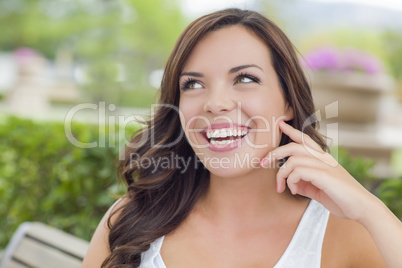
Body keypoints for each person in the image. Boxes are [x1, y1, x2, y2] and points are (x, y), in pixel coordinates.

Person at [82, 8, 402, 268]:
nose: (215, 103)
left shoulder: (342, 230)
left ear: (288, 101)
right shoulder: (134, 217)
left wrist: (369, 209)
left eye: (245, 78)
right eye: (192, 84)